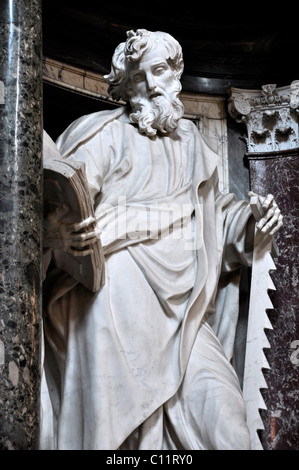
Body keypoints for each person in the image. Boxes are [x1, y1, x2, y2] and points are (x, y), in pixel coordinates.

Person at [40, 29, 283, 450]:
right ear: (125, 86)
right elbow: (60, 199)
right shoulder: (100, 134)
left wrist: (252, 224)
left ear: (176, 75)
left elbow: (218, 219)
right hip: (115, 296)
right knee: (122, 437)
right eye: (139, 77)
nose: (152, 85)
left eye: (159, 71)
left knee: (228, 428)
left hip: (187, 310)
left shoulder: (194, 147)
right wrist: (56, 233)